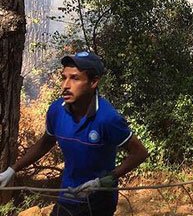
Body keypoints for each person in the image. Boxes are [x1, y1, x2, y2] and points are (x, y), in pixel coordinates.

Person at [0, 51, 149, 216]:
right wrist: (12, 170)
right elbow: (45, 143)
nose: (65, 85)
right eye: (64, 77)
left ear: (93, 82)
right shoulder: (56, 111)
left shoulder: (108, 119)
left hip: (99, 201)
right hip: (67, 194)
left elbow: (140, 153)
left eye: (75, 78)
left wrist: (104, 181)